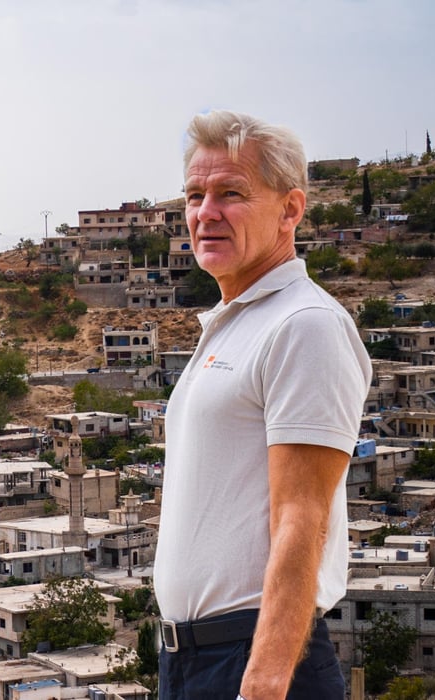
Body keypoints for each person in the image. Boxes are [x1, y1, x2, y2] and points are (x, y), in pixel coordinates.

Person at [153, 111, 371, 700]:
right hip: (190, 661)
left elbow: (303, 517)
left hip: (254, 664)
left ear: (291, 210)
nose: (205, 213)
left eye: (232, 193)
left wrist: (265, 679)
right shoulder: (235, 325)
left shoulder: (305, 325)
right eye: (195, 195)